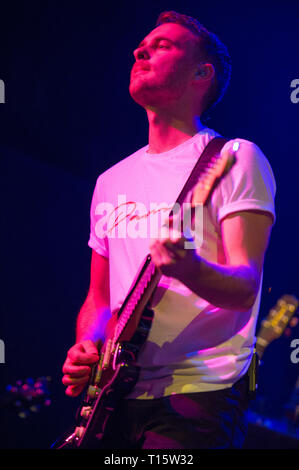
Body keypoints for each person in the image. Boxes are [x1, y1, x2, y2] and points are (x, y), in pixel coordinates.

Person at [61, 11, 276, 449]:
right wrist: (87, 345)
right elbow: (99, 299)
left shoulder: (235, 157)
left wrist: (188, 267)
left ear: (202, 72)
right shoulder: (110, 181)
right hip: (116, 395)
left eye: (163, 46)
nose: (140, 51)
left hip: (198, 392)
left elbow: (244, 289)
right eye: (142, 45)